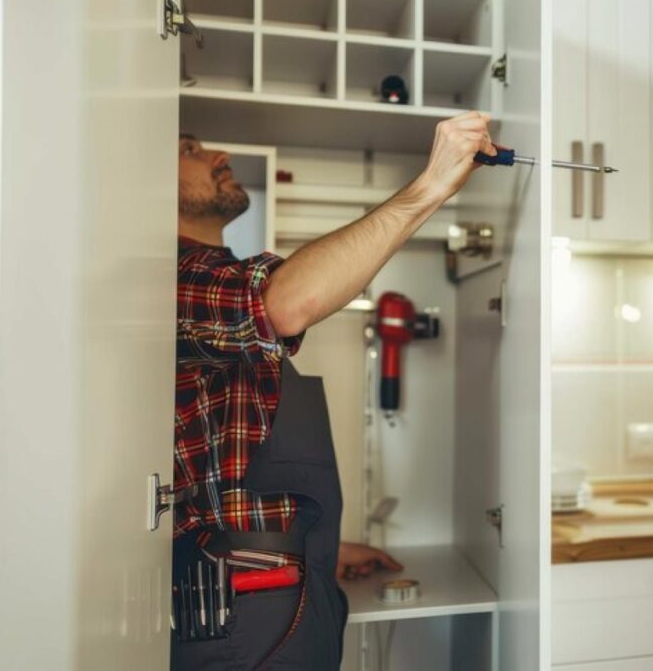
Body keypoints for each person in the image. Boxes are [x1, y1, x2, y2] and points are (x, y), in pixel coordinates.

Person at [171, 112, 497, 670]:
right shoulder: (172, 276)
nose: (217, 154)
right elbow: (285, 303)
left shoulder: (213, 282)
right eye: (190, 148)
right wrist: (431, 185)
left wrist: (319, 551)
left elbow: (225, 467)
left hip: (280, 590)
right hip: (245, 614)